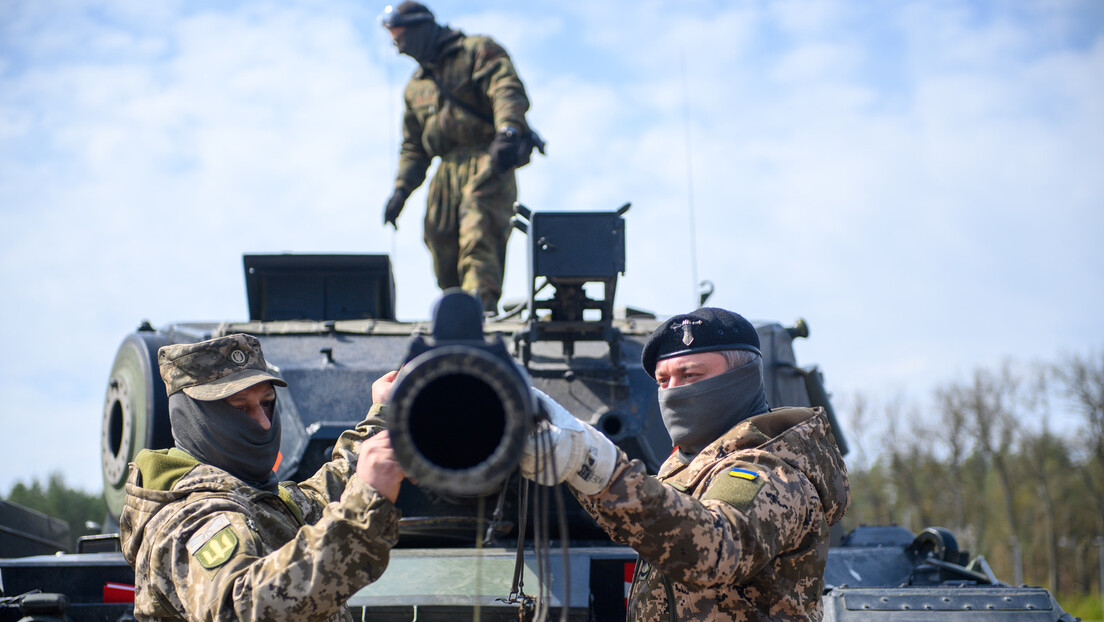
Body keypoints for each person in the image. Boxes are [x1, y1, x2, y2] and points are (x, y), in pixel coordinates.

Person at [519, 308, 851, 620]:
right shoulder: (689, 464)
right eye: (663, 381)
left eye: (689, 374)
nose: (673, 392)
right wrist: (578, 469)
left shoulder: (772, 470)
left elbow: (715, 548)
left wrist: (594, 464)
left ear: (742, 378)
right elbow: (649, 525)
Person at [118, 334, 405, 622]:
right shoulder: (190, 519)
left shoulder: (256, 497)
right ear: (193, 418)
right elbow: (245, 608)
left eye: (267, 403)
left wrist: (383, 417)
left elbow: (323, 497)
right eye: (241, 409)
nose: (264, 423)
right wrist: (364, 506)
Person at [379, 1, 535, 314]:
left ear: (419, 29)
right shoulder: (415, 87)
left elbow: (505, 88)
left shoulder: (476, 51)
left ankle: (479, 308)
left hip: (485, 158)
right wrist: (401, 190)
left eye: (401, 38)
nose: (398, 49)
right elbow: (413, 146)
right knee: (439, 238)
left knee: (478, 231)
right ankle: (458, 311)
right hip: (445, 169)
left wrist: (507, 131)